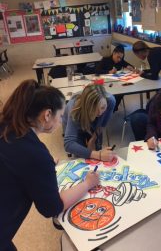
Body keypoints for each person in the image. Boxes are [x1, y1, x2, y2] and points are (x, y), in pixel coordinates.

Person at [0, 79, 99, 251]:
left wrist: (38, 168)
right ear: (47, 115)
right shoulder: (36, 154)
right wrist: (88, 183)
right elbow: (52, 207)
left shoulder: (7, 125)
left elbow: (15, 164)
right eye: (61, 116)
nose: (61, 122)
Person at [63, 84, 116, 161]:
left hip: (93, 125)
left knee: (96, 150)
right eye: (95, 109)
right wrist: (98, 155)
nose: (100, 113)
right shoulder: (74, 109)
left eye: (103, 107)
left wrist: (93, 139)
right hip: (77, 126)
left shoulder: (110, 101)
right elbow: (69, 144)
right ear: (87, 108)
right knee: (81, 158)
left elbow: (101, 126)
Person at [95, 45, 134, 111]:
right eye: (118, 57)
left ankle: (113, 108)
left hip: (115, 83)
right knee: (108, 94)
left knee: (121, 92)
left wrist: (130, 67)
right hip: (104, 83)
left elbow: (130, 65)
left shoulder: (120, 61)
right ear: (114, 53)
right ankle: (109, 107)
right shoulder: (105, 59)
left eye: (121, 58)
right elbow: (97, 71)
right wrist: (109, 71)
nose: (119, 60)